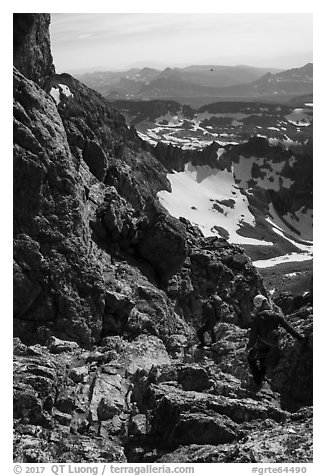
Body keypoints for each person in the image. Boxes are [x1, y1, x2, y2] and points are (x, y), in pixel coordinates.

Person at [246, 294, 306, 386]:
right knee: (264, 361)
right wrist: (300, 338)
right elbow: (289, 328)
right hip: (275, 344)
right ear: (265, 303)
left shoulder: (257, 318)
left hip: (263, 345)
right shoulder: (276, 315)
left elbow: (253, 336)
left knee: (251, 359)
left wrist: (248, 347)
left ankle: (258, 380)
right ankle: (261, 379)